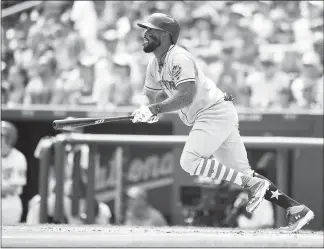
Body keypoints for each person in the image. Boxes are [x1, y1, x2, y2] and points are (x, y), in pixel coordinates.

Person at [131, 13, 314, 233]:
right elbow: (149, 97)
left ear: (166, 36)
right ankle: (296, 209)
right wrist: (145, 109)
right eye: (145, 29)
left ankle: (254, 185)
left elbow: (185, 96)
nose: (145, 33)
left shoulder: (179, 58)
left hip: (213, 112)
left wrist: (155, 109)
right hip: (215, 114)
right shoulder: (153, 64)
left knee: (189, 161)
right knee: (241, 172)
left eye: (151, 30)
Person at [1, 121, 27, 225]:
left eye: (1, 135)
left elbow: (13, 188)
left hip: (9, 205)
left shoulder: (18, 157)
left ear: (9, 138)